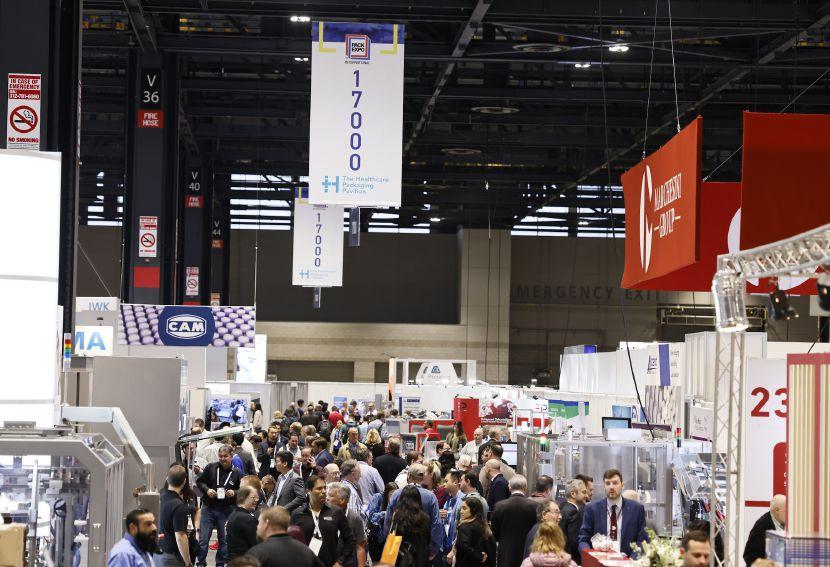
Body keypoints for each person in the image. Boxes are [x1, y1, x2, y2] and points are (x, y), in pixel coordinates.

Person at [577, 469, 646, 557]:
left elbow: (642, 541)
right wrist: (590, 556)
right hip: (599, 561)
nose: (611, 487)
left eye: (615, 483)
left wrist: (631, 561)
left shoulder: (636, 509)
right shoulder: (592, 509)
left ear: (622, 485)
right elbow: (583, 539)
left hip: (628, 561)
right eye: (608, 483)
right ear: (604, 486)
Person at [291, 475, 356, 567]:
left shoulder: (336, 512)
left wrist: (340, 561)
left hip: (330, 564)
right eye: (319, 488)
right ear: (308, 491)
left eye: (325, 488)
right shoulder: (298, 514)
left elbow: (350, 539)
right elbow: (291, 543)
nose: (324, 491)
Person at [384, 463, 443, 561]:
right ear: (423, 477)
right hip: (421, 547)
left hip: (397, 548)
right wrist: (433, 549)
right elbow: (436, 524)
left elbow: (388, 522)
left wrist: (389, 543)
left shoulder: (396, 494)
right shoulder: (430, 497)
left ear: (409, 476)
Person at [196, 445, 242, 567]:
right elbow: (200, 482)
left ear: (231, 457)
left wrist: (234, 492)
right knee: (203, 539)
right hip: (208, 508)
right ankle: (200, 563)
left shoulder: (237, 473)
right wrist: (207, 490)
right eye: (220, 456)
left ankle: (220, 564)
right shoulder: (210, 467)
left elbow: (243, 489)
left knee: (224, 541)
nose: (222, 459)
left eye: (225, 456)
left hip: (227, 510)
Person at [246, 506, 323, 567]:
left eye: (259, 522)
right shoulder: (307, 552)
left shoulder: (257, 554)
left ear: (266, 523)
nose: (257, 527)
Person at [490, 475, 539, 567]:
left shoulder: (499, 506)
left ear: (509, 487)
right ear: (525, 488)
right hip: (528, 554)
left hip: (506, 554)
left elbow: (494, 534)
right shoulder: (535, 506)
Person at [158, 466, 194, 566]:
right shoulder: (178, 506)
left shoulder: (159, 497)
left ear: (167, 479)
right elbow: (180, 537)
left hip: (157, 553)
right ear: (184, 481)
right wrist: (188, 562)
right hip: (171, 557)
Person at [387, 485, 431, 567]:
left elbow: (391, 537)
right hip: (420, 559)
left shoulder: (397, 516)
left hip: (400, 559)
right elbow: (427, 540)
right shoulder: (425, 518)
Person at [327, 482, 368, 567]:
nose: (326, 498)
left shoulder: (354, 518)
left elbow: (360, 548)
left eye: (330, 495)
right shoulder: (323, 515)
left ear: (342, 500)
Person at [449, 496, 495, 567]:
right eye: (461, 508)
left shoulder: (465, 526)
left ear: (473, 509)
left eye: (464, 508)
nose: (461, 511)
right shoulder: (483, 525)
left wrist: (479, 555)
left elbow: (464, 547)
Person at [744, 494, 786, 566]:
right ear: (777, 510)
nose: (789, 512)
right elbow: (749, 556)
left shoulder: (784, 522)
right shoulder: (762, 525)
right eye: (786, 510)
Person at [366, 482, 398, 562]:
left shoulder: (398, 501)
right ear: (386, 493)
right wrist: (387, 513)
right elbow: (372, 516)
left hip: (392, 538)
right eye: (391, 494)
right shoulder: (378, 497)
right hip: (377, 538)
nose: (394, 497)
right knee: (377, 562)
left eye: (396, 495)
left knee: (389, 563)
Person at [227, 485, 260, 559]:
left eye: (257, 497)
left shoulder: (234, 514)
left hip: (233, 560)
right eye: (253, 497)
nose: (256, 500)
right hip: (244, 561)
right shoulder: (248, 519)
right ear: (243, 498)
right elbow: (256, 544)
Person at [558, 479, 587, 564]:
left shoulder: (562, 507)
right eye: (583, 492)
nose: (586, 495)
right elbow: (574, 542)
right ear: (573, 494)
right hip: (571, 559)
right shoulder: (573, 513)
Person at [441, 469, 464, 559]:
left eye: (446, 481)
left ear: (455, 482)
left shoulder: (463, 501)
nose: (444, 484)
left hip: (456, 549)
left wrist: (454, 550)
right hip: (446, 546)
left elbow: (462, 528)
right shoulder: (448, 500)